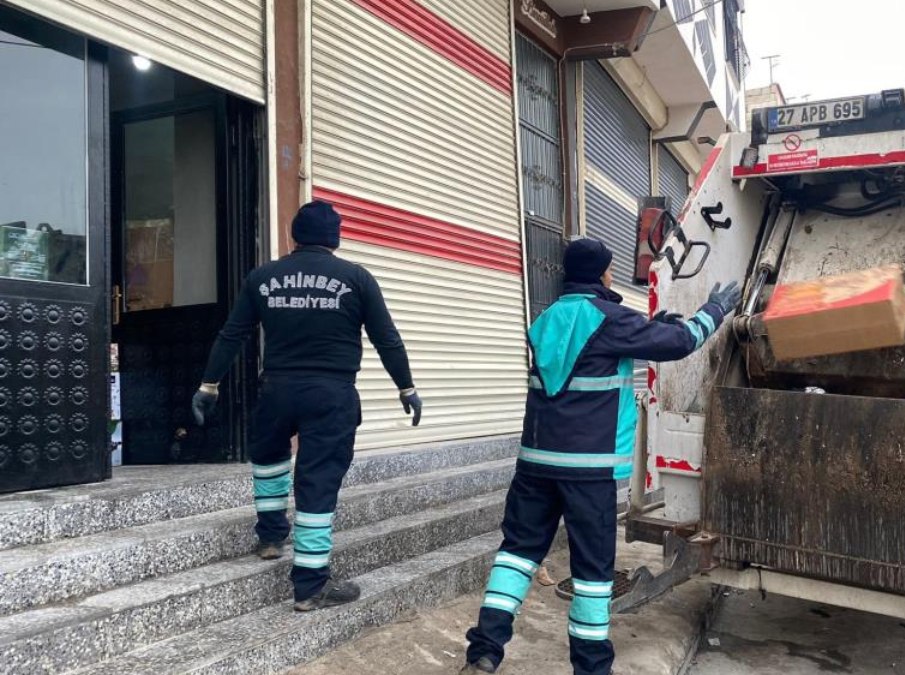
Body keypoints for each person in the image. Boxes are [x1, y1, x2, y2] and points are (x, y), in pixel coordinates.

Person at [461, 238, 740, 675]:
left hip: (535, 464)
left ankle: (484, 650)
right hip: (587, 471)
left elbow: (590, 353)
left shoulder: (546, 318)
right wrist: (715, 311)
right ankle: (591, 668)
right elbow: (681, 341)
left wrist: (649, 329)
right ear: (601, 274)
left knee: (516, 554)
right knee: (592, 576)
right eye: (610, 270)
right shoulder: (611, 319)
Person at [191, 201, 422, 611]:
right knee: (317, 482)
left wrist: (209, 385)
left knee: (269, 459)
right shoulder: (356, 278)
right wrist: (406, 388)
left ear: (294, 235)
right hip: (331, 395)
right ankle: (310, 585)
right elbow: (388, 339)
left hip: (277, 389)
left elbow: (232, 335)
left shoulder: (262, 278)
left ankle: (269, 536)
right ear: (335, 238)